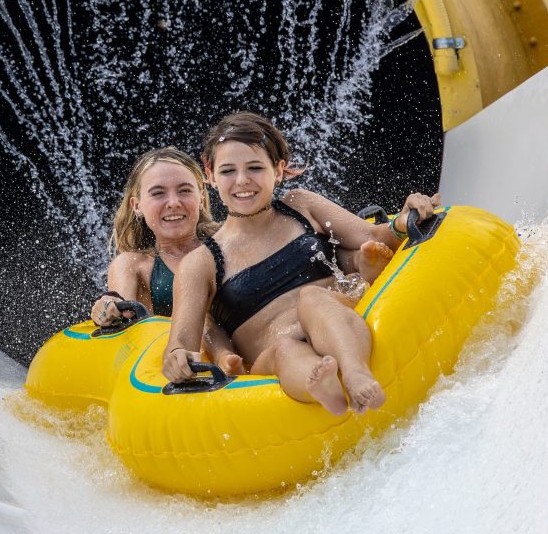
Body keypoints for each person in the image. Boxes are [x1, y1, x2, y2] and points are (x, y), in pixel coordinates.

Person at [162, 112, 440, 415]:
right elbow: (181, 343)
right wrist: (176, 358)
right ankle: (321, 385)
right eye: (228, 171)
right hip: (274, 357)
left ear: (278, 170)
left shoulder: (301, 206)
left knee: (313, 296)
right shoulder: (200, 263)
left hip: (334, 318)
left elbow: (373, 235)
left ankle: (354, 373)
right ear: (210, 174)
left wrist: (403, 220)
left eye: (255, 167)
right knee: (284, 348)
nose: (242, 181)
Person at [89, 147, 244, 375]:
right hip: (175, 364)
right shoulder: (133, 265)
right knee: (198, 318)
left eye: (184, 191)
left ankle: (229, 359)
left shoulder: (232, 245)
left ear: (201, 197)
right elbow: (120, 305)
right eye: (158, 193)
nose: (173, 202)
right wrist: (107, 307)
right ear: (137, 205)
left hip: (245, 348)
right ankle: (223, 359)